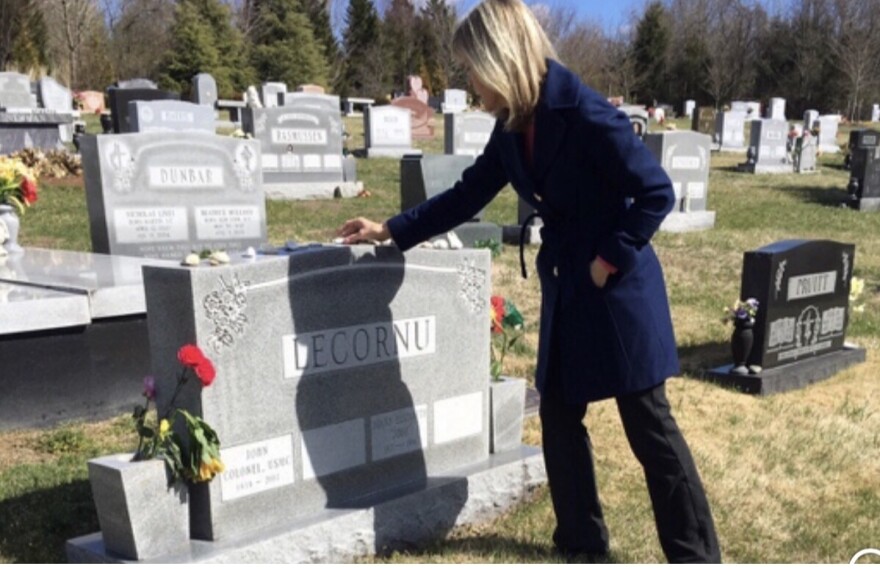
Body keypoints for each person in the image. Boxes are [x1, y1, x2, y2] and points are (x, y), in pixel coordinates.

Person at [337, 0, 720, 562]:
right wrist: (391, 230)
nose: (468, 82)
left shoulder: (584, 112)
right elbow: (467, 194)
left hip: (618, 297)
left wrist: (608, 259)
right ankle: (582, 547)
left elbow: (656, 192)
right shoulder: (514, 126)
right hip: (569, 292)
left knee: (649, 429)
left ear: (499, 59)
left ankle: (696, 556)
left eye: (471, 68)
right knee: (561, 418)